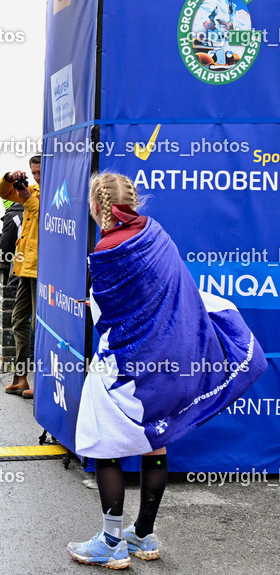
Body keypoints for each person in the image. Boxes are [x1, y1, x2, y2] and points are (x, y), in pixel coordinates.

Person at [66, 172, 265, 568]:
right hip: (172, 363)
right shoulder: (154, 233)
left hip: (128, 369)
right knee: (155, 443)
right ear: (135, 202)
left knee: (104, 447)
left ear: (95, 206)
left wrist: (96, 306)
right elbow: (170, 294)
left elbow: (114, 318)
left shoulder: (106, 250)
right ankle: (142, 535)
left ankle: (110, 542)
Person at [0, 155, 41, 398]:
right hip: (25, 266)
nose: (35, 177)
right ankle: (21, 377)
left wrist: (29, 200)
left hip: (42, 267)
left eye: (40, 172)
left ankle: (41, 383)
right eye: (33, 172)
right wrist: (8, 179)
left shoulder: (56, 191)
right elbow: (4, 193)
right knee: (18, 320)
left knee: (39, 324)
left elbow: (48, 216)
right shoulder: (32, 190)